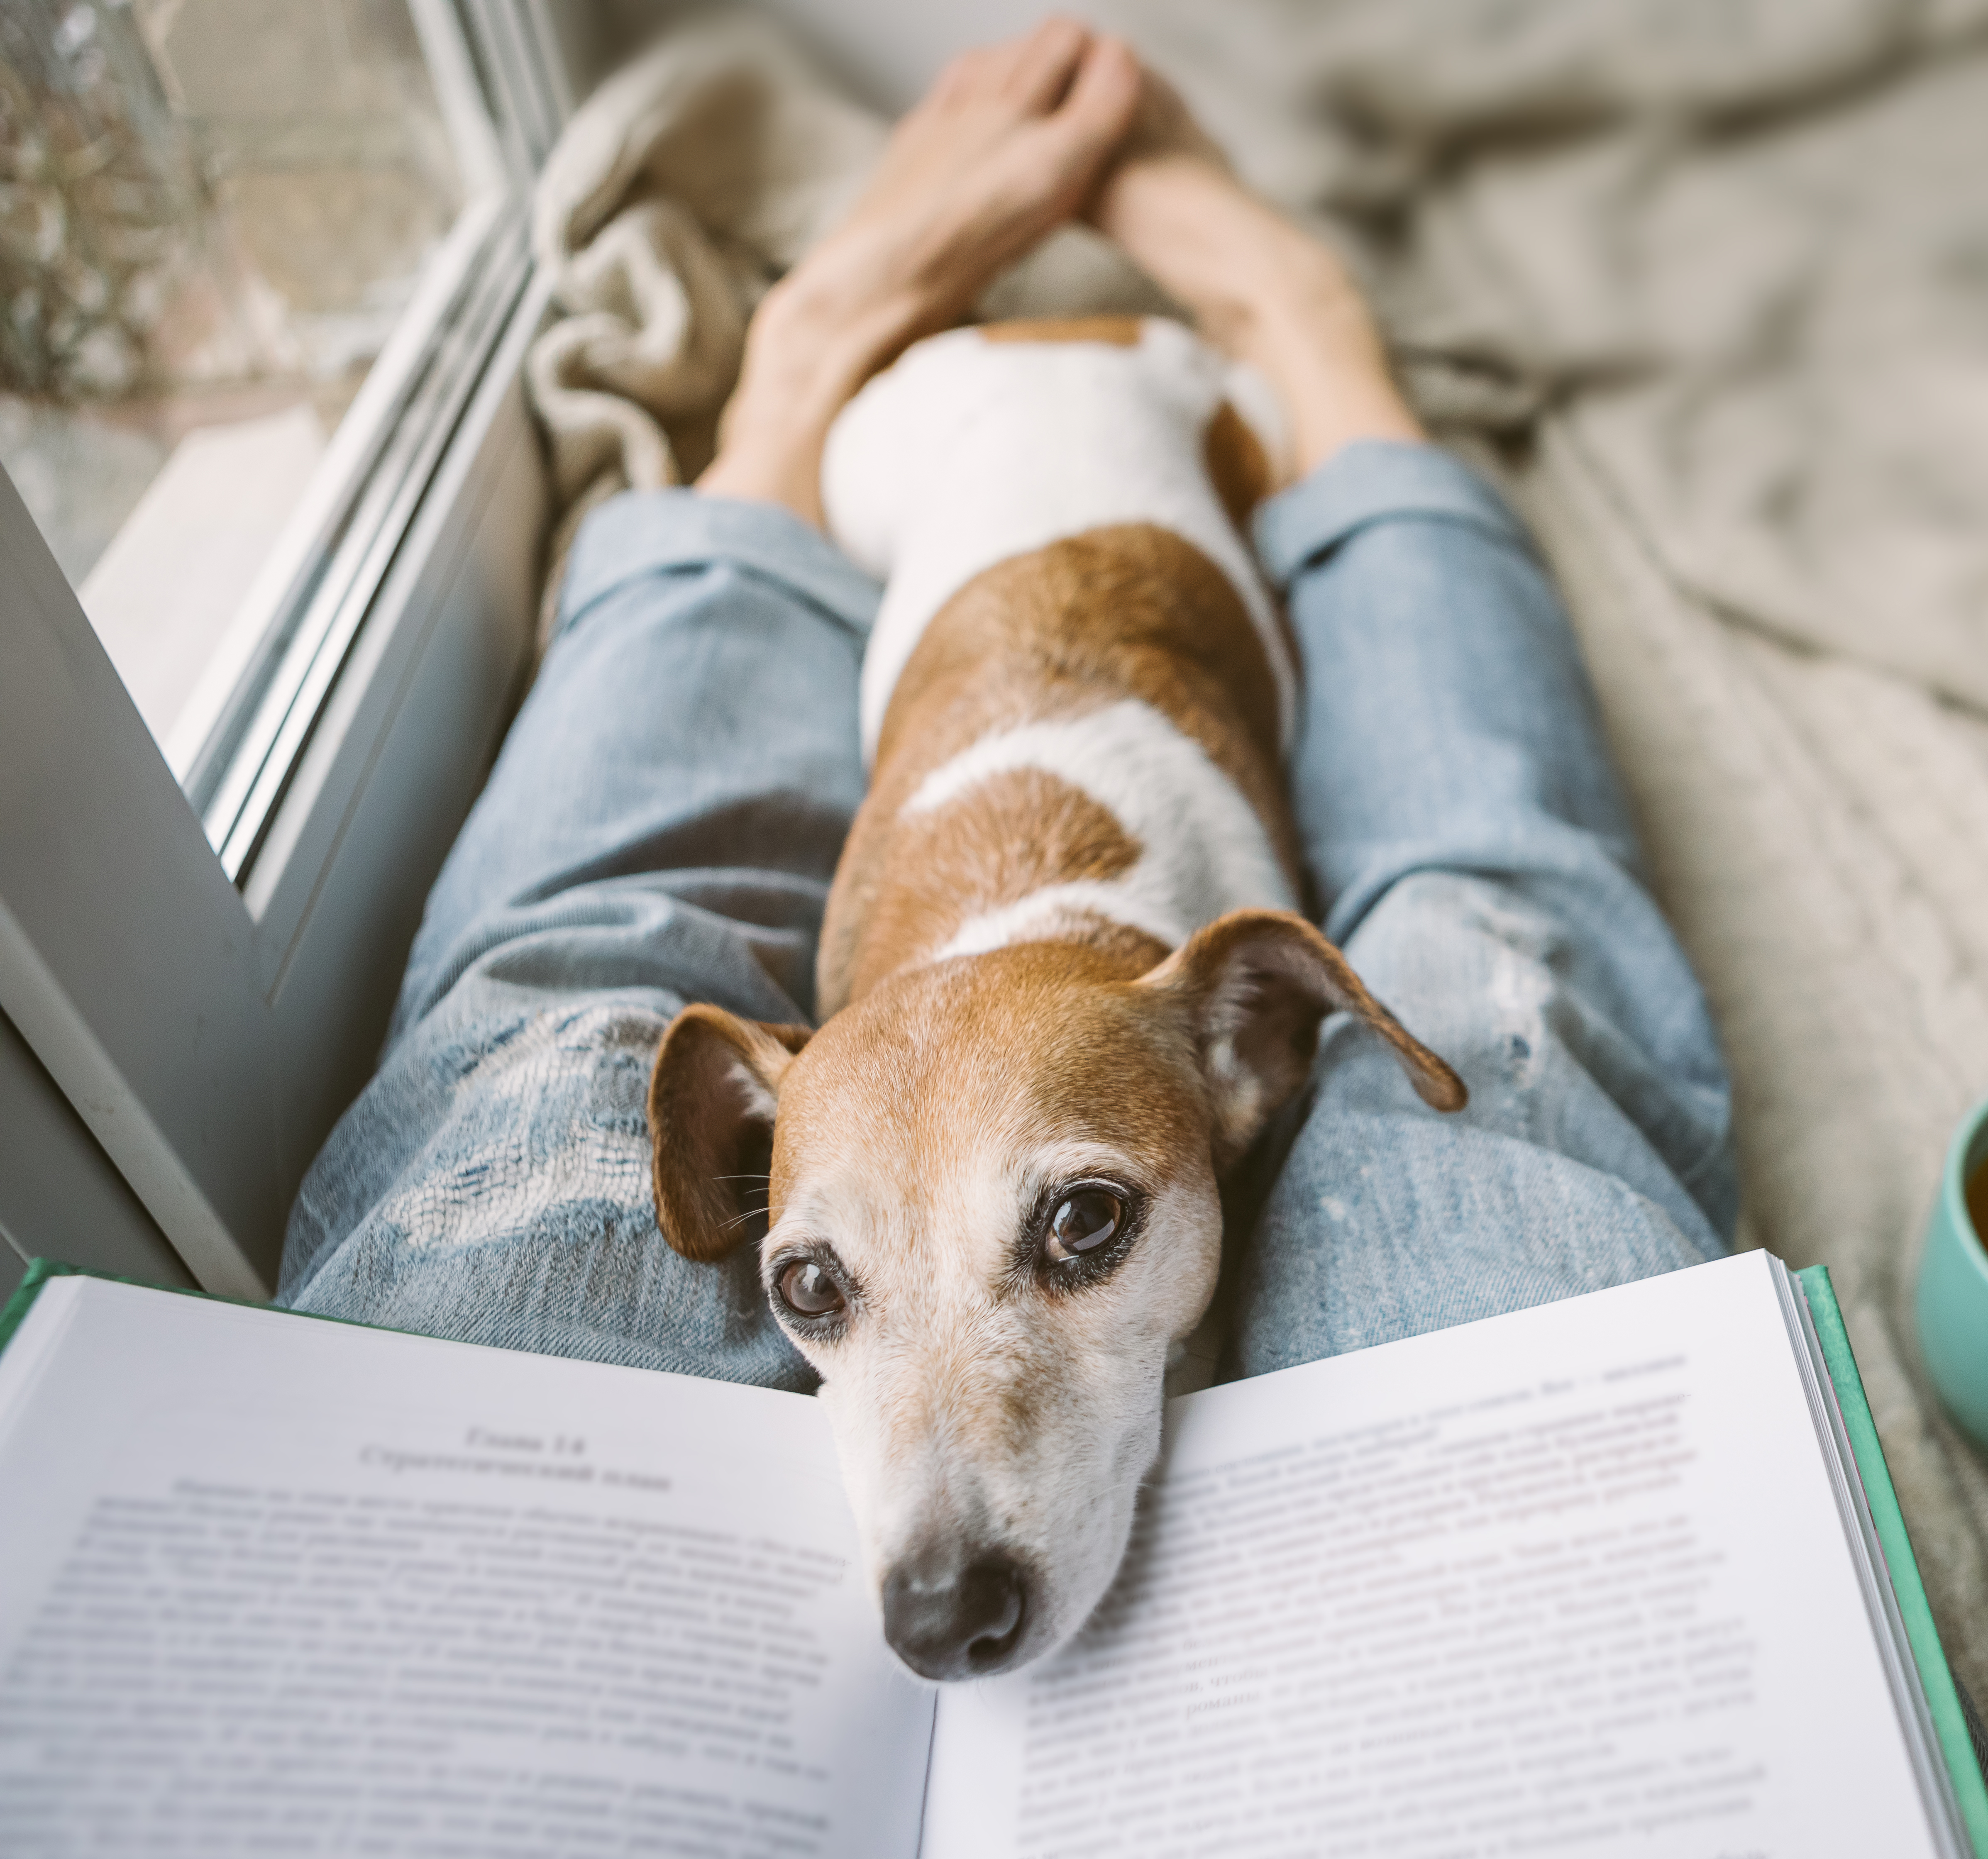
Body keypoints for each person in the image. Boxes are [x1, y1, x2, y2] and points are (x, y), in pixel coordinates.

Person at [278, 18, 1737, 1385]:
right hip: (977, 474)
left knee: (569, 990)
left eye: (1083, 1228)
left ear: (1252, 1050)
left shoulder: (1203, 1030)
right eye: (816, 1290)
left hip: (1168, 424)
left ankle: (1160, 342)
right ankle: (1275, 349)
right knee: (1487, 929)